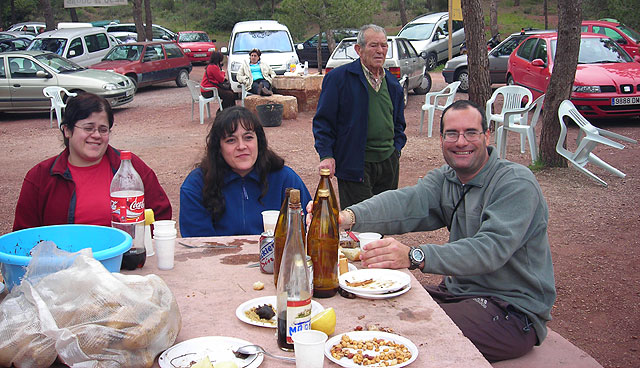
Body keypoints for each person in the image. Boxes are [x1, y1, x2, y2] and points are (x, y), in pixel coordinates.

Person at [317, 100, 555, 362]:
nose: (461, 141)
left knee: (412, 334)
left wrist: (416, 255)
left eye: (471, 132)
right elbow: (405, 203)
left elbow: (490, 249)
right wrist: (345, 217)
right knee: (376, 308)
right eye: (452, 133)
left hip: (511, 309)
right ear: (441, 139)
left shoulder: (515, 183)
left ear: (487, 136)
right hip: (458, 294)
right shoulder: (448, 178)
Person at [13, 92, 172, 231]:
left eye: (103, 129)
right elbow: (24, 235)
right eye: (89, 128)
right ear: (67, 130)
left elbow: (161, 214)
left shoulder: (130, 168)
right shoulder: (41, 176)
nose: (96, 135)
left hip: (121, 261)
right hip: (63, 263)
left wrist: (138, 246)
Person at [313, 24, 406, 209]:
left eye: (384, 45)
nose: (380, 51)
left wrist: (396, 150)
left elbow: (398, 125)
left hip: (388, 164)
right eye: (373, 45)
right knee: (358, 223)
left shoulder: (393, 84)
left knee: (384, 219)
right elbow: (323, 121)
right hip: (355, 164)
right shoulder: (340, 79)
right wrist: (326, 155)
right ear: (359, 49)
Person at [179, 106, 310, 237]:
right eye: (231, 140)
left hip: (278, 256)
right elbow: (197, 244)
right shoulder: (196, 185)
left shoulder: (286, 180)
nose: (242, 146)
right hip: (216, 257)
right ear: (218, 148)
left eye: (248, 137)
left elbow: (304, 233)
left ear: (259, 141)